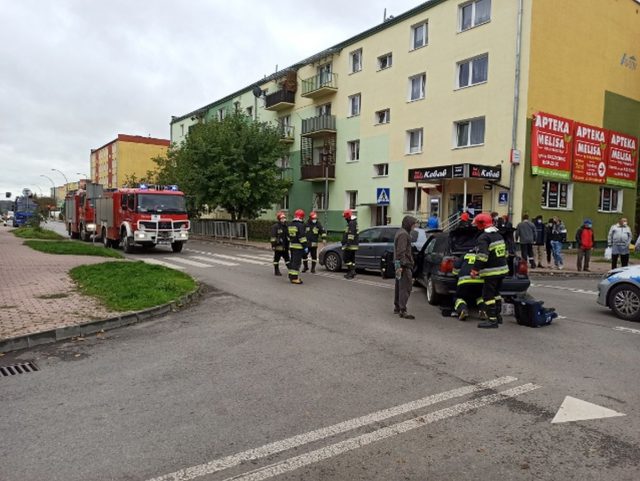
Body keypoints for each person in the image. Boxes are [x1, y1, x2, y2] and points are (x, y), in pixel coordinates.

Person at [470, 213, 509, 329]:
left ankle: (492, 320)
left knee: (487, 296)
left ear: (482, 224)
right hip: (502, 270)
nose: (476, 226)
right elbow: (505, 254)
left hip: (491, 272)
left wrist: (475, 270)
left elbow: (482, 256)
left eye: (477, 224)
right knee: (496, 294)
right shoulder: (499, 235)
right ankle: (498, 316)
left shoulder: (483, 238)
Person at [393, 215, 418, 319]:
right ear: (408, 224)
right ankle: (403, 310)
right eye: (413, 224)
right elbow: (401, 251)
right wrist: (403, 264)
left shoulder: (401, 232)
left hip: (400, 264)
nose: (414, 226)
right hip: (404, 265)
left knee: (399, 286)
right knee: (406, 287)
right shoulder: (404, 234)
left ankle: (397, 307)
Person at [452, 249, 485, 321]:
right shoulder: (481, 257)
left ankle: (463, 309)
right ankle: (483, 310)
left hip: (464, 281)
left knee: (458, 297)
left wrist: (457, 275)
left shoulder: (464, 256)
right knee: (479, 297)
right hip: (480, 281)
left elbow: (455, 270)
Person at [287, 209, 308, 284]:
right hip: (298, 247)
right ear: (302, 217)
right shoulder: (300, 225)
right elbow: (302, 237)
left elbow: (288, 236)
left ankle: (291, 275)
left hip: (292, 245)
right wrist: (305, 246)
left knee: (292, 261)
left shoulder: (290, 224)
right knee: (296, 263)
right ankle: (294, 278)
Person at [269, 212, 290, 276]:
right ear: (279, 219)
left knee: (287, 259)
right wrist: (273, 245)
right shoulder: (275, 227)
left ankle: (291, 270)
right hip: (278, 246)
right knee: (276, 259)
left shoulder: (286, 226)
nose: (284, 219)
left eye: (284, 218)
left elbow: (288, 236)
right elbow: (273, 237)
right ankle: (276, 270)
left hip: (285, 246)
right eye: (282, 218)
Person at [341, 209, 359, 279]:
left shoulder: (351, 223)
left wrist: (348, 243)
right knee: (352, 260)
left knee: (346, 259)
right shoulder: (353, 222)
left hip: (350, 245)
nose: (345, 218)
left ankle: (351, 272)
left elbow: (351, 234)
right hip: (353, 245)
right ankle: (351, 272)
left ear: (348, 216)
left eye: (345, 217)